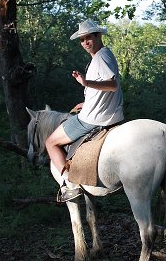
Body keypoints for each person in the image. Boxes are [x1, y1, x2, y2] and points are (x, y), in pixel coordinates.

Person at [45, 19, 124, 201]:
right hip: (103, 112)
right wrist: (87, 101)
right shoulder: (104, 55)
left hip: (93, 119)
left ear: (98, 36)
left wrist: (85, 83)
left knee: (50, 142)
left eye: (89, 38)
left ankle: (67, 184)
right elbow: (105, 89)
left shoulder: (101, 57)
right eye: (82, 40)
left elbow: (111, 85)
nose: (85, 43)